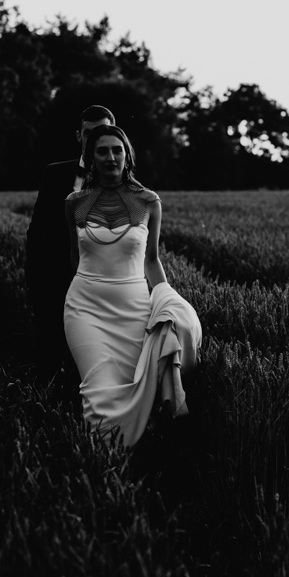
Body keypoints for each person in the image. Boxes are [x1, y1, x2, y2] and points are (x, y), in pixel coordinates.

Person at [64, 125, 201, 447]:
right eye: (102, 151)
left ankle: (136, 458)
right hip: (86, 309)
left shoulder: (148, 201)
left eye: (117, 150)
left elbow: (151, 260)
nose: (110, 157)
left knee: (136, 384)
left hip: (134, 307)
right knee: (99, 387)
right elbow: (75, 255)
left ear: (127, 156)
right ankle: (102, 468)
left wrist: (165, 301)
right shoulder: (74, 202)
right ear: (91, 158)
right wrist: (88, 287)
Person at [25, 106, 116, 395]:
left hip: (102, 288)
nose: (93, 139)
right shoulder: (55, 174)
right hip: (55, 284)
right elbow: (36, 233)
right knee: (48, 363)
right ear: (79, 135)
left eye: (101, 131)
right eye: (88, 133)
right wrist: (35, 279)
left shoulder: (123, 183)